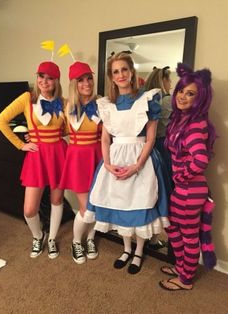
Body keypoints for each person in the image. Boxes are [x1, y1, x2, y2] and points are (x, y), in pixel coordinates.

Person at [84, 52, 169, 274]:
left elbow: (150, 138)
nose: (120, 75)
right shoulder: (105, 104)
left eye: (124, 70)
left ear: (131, 72)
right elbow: (105, 138)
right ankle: (126, 248)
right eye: (115, 71)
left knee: (139, 204)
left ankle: (139, 251)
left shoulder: (148, 99)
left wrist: (137, 165)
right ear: (111, 77)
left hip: (140, 159)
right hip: (115, 159)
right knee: (120, 204)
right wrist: (108, 164)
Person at [0, 61, 67, 259]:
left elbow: (70, 129)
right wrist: (21, 144)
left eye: (49, 78)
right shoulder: (27, 98)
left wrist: (52, 134)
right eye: (41, 76)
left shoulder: (64, 101)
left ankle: (52, 238)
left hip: (58, 154)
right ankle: (38, 235)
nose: (44, 81)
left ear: (56, 81)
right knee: (29, 210)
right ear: (37, 78)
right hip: (36, 156)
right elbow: (1, 120)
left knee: (57, 199)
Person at [159, 63, 217, 291]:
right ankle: (182, 267)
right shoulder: (181, 119)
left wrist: (181, 176)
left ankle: (185, 280)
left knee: (189, 235)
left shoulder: (194, 124)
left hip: (189, 190)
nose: (182, 96)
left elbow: (200, 159)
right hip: (186, 189)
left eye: (190, 93)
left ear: (199, 98)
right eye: (181, 90)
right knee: (173, 228)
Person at [59, 61, 102, 264]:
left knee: (98, 205)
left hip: (98, 157)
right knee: (87, 208)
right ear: (74, 84)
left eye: (89, 78)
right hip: (77, 160)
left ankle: (91, 238)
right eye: (81, 80)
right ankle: (77, 242)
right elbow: (52, 129)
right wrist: (30, 138)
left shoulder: (102, 103)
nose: (86, 83)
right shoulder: (67, 106)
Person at [144, 66, 173, 250]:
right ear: (163, 81)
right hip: (164, 148)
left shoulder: (146, 100)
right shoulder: (169, 100)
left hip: (149, 149)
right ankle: (158, 239)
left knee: (152, 194)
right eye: (169, 79)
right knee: (166, 194)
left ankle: (151, 238)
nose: (171, 83)